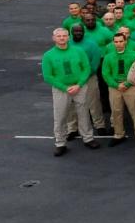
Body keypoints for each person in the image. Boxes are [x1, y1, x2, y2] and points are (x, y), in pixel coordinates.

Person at [42, 28, 99, 156]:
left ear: (69, 37)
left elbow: (86, 68)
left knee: (83, 113)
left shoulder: (79, 51)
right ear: (54, 38)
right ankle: (60, 143)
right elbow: (48, 76)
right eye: (59, 36)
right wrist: (64, 87)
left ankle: (88, 138)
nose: (62, 38)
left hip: (80, 87)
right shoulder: (48, 55)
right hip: (61, 89)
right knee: (60, 116)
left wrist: (79, 84)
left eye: (64, 36)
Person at [101, 32, 135, 146]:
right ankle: (119, 134)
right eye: (116, 42)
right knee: (116, 111)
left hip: (131, 86)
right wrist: (116, 85)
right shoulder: (108, 57)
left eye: (121, 41)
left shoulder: (134, 55)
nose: (118, 44)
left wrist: (127, 84)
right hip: (115, 87)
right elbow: (105, 73)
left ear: (125, 41)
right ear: (113, 42)